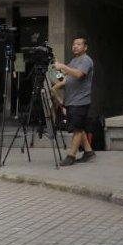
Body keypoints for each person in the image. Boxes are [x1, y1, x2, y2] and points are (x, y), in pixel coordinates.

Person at [54, 36, 95, 166]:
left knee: (77, 129)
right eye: (73, 44)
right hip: (71, 100)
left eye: (78, 44)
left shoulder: (86, 60)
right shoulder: (74, 60)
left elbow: (78, 74)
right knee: (79, 127)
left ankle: (71, 156)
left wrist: (63, 66)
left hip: (80, 100)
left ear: (85, 47)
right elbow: (67, 77)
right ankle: (88, 152)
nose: (75, 46)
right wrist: (58, 72)